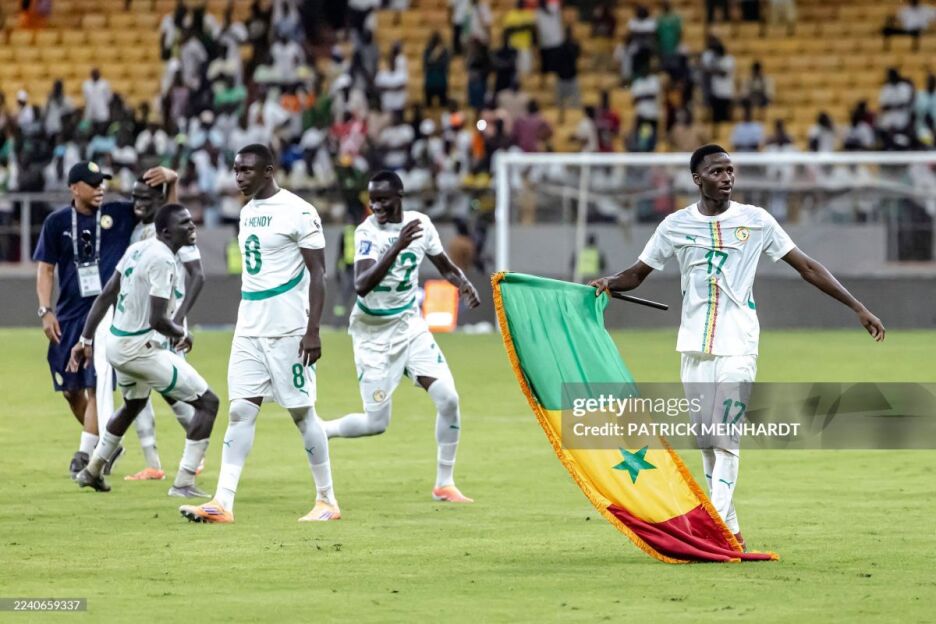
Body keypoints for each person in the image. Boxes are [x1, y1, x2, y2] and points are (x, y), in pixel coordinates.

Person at [589, 145, 885, 550]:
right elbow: (636, 274)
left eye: (730, 170)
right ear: (698, 179)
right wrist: (607, 282)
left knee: (725, 435)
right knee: (706, 440)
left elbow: (807, 266)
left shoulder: (756, 221)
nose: (727, 177)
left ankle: (712, 529)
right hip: (693, 345)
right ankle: (731, 531)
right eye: (717, 171)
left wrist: (857, 306)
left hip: (739, 343)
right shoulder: (675, 225)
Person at [180, 144, 339, 524]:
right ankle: (223, 502)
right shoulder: (247, 211)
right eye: (236, 170)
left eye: (247, 170)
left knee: (302, 413)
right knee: (240, 411)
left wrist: (312, 330)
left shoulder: (299, 211)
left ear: (269, 171)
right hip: (249, 326)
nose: (238, 177)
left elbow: (318, 273)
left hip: (288, 329)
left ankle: (327, 500)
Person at [322, 170, 481, 503]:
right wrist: (397, 245)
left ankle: (444, 483)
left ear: (400, 197)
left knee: (449, 399)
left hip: (410, 327)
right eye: (373, 200)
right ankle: (323, 431)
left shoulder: (421, 225)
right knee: (376, 423)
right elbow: (362, 284)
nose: (377, 206)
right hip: (373, 334)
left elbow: (444, 265)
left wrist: (463, 284)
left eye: (383, 199)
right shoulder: (367, 233)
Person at [67, 203, 219, 497]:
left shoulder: (137, 249)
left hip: (117, 345)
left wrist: (85, 339)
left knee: (133, 405)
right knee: (208, 403)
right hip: (140, 349)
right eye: (184, 223)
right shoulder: (163, 259)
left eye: (191, 220)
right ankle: (184, 482)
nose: (192, 226)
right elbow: (157, 320)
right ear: (166, 232)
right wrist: (182, 333)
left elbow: (107, 293)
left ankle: (92, 471)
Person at [33, 162, 172, 478]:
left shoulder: (119, 213)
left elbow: (163, 211)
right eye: (93, 184)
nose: (100, 189)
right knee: (71, 390)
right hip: (69, 314)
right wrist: (45, 310)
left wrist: (170, 181)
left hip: (108, 313)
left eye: (102, 183)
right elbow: (46, 269)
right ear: (74, 188)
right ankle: (107, 443)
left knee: (95, 383)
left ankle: (87, 452)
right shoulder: (56, 222)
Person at [122, 176, 207, 481]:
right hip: (141, 326)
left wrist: (179, 321)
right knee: (136, 393)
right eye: (135, 197)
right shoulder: (138, 231)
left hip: (166, 323)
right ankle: (153, 464)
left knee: (175, 391)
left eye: (145, 197)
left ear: (159, 200)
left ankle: (197, 452)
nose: (138, 203)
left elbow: (198, 275)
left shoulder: (173, 230)